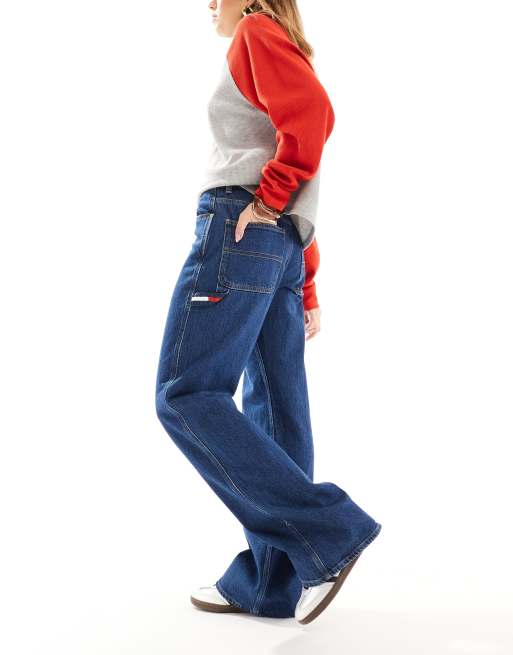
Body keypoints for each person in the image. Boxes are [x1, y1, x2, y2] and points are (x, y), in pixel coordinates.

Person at [155, 0, 382, 624]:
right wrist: (303, 278)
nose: (208, 2)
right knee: (277, 407)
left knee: (185, 393)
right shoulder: (281, 41)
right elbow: (302, 152)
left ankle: (329, 530)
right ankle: (270, 584)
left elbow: (311, 117)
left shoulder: (255, 28)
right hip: (275, 246)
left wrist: (267, 201)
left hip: (241, 223)